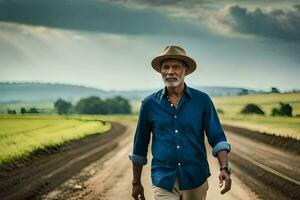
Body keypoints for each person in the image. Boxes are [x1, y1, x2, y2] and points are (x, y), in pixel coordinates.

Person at [129, 45, 232, 200]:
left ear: (185, 70)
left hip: (196, 178)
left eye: (176, 67)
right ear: (161, 71)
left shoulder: (202, 101)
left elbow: (217, 137)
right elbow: (140, 146)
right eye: (166, 67)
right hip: (164, 179)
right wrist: (136, 182)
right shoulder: (149, 104)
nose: (170, 71)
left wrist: (224, 168)